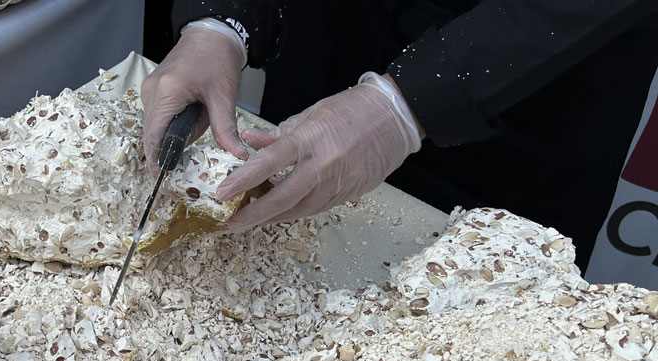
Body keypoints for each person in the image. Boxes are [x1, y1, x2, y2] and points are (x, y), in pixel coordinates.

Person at [141, 0, 658, 276]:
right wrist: (222, 20)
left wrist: (409, 104)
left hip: (527, 73)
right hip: (338, 29)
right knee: (282, 224)